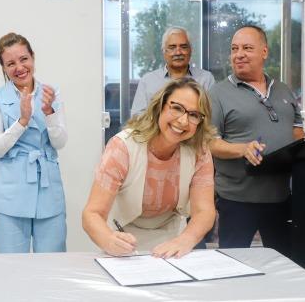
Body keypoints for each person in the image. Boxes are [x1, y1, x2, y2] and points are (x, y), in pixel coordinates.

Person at [83, 77, 216, 258]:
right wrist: (108, 240)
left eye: (194, 115)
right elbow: (92, 214)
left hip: (173, 237)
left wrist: (186, 239)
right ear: (160, 106)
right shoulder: (122, 147)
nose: (183, 121)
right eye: (177, 108)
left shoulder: (199, 151)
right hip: (124, 234)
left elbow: (204, 211)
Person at [208, 25, 305, 255]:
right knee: (234, 265)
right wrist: (243, 149)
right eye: (234, 49)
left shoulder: (283, 90)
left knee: (284, 266)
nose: (239, 54)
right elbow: (210, 143)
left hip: (280, 198)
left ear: (264, 52)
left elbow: (298, 133)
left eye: (247, 48)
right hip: (237, 200)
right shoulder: (217, 94)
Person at [0, 32, 67, 253]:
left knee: (52, 265)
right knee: (12, 270)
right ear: (3, 68)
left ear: (33, 58)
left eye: (23, 59)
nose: (19, 67)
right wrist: (22, 120)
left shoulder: (51, 93)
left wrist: (49, 112)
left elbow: (59, 142)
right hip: (8, 194)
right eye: (10, 63)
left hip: (48, 190)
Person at [130, 26, 215, 117]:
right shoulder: (148, 81)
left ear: (190, 50)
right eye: (172, 47)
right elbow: (137, 117)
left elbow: (212, 116)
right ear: (164, 51)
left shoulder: (206, 79)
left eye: (183, 47)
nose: (178, 52)